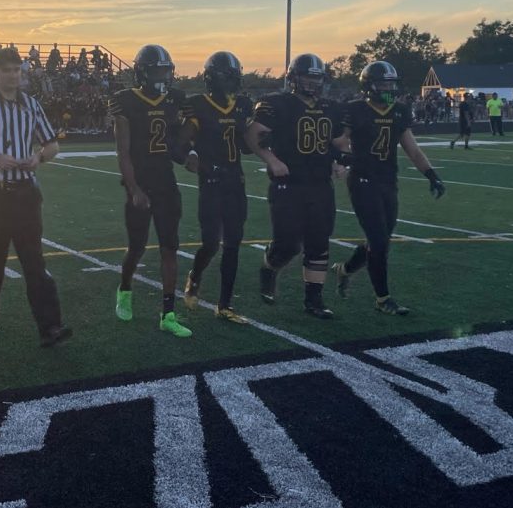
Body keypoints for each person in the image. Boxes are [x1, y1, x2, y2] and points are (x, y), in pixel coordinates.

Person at [0, 46, 71, 347]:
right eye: (6, 70)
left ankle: (51, 326)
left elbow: (52, 145)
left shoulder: (31, 104)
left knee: (34, 261)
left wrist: (39, 158)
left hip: (25, 193)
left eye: (16, 70)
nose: (12, 76)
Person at [331, 61, 445, 315]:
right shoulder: (355, 109)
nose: (388, 89)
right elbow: (340, 140)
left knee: (381, 240)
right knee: (378, 241)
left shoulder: (400, 111)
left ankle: (345, 270)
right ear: (369, 86)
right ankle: (383, 299)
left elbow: (412, 148)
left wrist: (431, 175)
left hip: (387, 180)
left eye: (391, 84)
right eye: (383, 84)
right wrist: (339, 156)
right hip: (362, 180)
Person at [245, 53, 345, 319]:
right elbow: (253, 135)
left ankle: (314, 300)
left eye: (317, 77)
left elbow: (335, 144)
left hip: (320, 185)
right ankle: (269, 267)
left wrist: (339, 160)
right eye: (307, 76)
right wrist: (271, 160)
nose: (312, 82)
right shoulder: (276, 104)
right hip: (288, 185)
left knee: (319, 243)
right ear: (293, 78)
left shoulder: (330, 107)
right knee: (287, 244)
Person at [108, 44, 191, 337]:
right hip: (141, 182)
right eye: (156, 70)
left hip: (166, 182)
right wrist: (133, 189)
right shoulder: (125, 102)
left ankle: (168, 313)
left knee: (170, 247)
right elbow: (123, 152)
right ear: (142, 72)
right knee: (137, 247)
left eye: (165, 70)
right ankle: (125, 289)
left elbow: (179, 138)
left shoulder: (174, 100)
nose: (162, 76)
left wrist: (188, 155)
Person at [179, 51, 252, 323]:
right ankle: (195, 276)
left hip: (236, 179)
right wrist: (191, 155)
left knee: (233, 244)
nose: (233, 81)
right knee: (211, 243)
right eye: (229, 76)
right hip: (211, 180)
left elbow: (245, 146)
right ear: (214, 78)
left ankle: (224, 304)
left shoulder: (243, 104)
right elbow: (182, 141)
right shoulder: (197, 105)